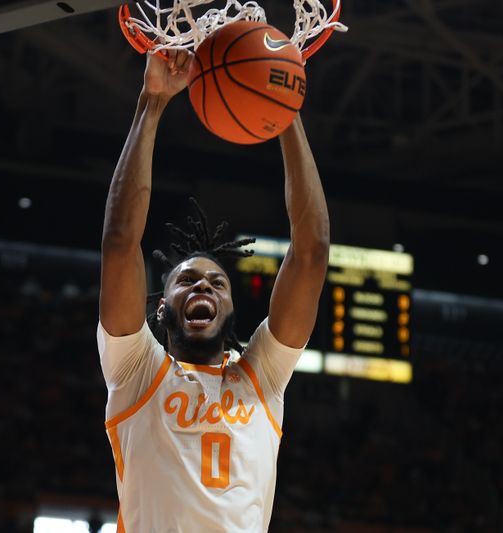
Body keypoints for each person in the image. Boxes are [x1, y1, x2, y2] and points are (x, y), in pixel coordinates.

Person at [97, 48, 330, 532]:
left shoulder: (262, 376)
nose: (203, 282)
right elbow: (120, 244)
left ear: (230, 309)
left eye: (216, 282)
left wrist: (283, 111)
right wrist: (152, 103)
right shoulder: (136, 370)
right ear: (161, 309)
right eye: (186, 279)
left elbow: (311, 251)